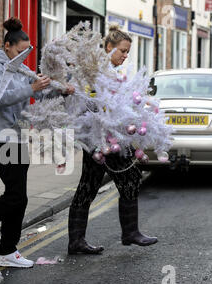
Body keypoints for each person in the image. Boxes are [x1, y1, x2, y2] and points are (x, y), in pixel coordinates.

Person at [0, 18, 74, 268]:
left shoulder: (18, 69)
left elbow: (36, 94)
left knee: (18, 196)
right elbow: (1, 97)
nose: (24, 57)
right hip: (0, 137)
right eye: (21, 52)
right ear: (7, 46)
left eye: (27, 52)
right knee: (16, 197)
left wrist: (58, 89)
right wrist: (32, 87)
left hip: (16, 137)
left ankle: (7, 249)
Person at [67, 24, 158, 255]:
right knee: (99, 184)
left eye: (128, 52)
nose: (125, 56)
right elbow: (87, 103)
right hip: (98, 139)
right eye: (122, 51)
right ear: (109, 47)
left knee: (118, 179)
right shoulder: (95, 71)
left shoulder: (111, 72)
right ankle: (121, 234)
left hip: (112, 137)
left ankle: (124, 233)